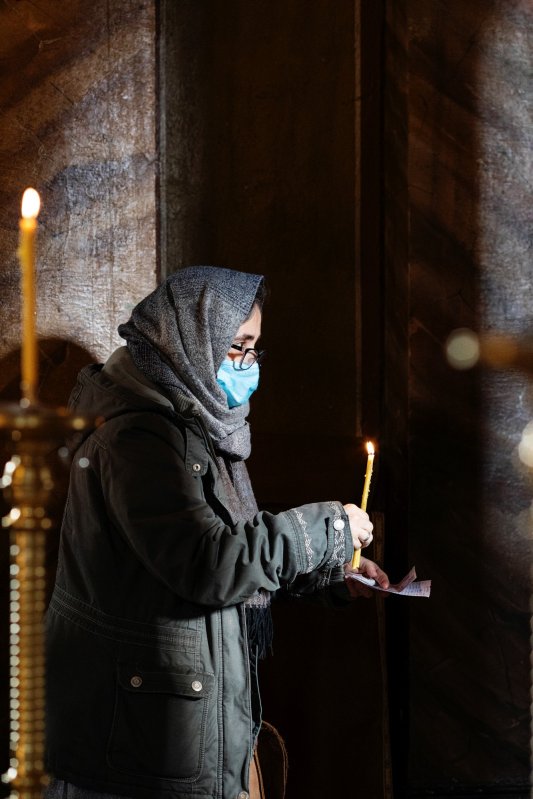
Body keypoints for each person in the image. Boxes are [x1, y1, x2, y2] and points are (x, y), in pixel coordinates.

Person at [45, 266, 389, 799]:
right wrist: (330, 527)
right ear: (188, 340)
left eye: (254, 349)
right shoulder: (137, 438)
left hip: (178, 719)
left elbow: (229, 545)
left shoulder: (198, 423)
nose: (248, 366)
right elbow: (205, 563)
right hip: (138, 744)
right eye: (235, 348)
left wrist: (326, 576)